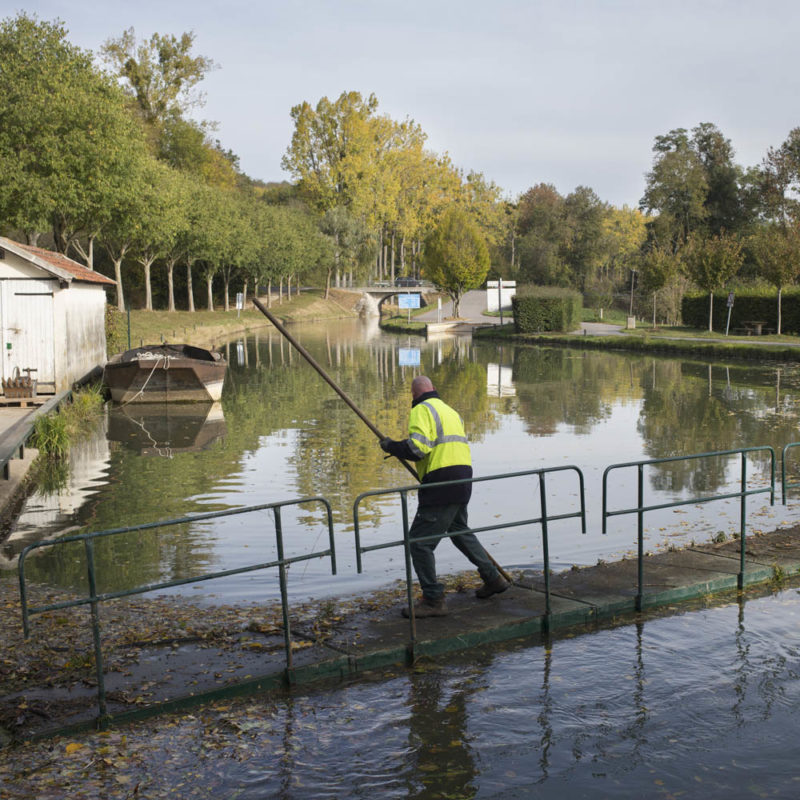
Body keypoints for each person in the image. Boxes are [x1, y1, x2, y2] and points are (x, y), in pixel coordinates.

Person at [380, 375, 510, 617]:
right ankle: (493, 578)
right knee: (459, 531)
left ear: (414, 395)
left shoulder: (421, 409)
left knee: (419, 543)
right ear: (434, 389)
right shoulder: (450, 411)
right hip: (463, 477)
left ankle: (433, 599)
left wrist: (391, 446)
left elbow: (418, 449)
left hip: (441, 481)